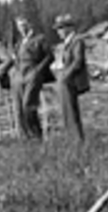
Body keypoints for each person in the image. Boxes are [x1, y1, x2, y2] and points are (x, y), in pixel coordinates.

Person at [13, 15, 53, 140]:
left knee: (28, 105)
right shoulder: (19, 43)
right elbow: (17, 59)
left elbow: (50, 57)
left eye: (24, 25)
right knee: (19, 107)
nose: (22, 28)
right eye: (19, 26)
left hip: (33, 74)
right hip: (20, 75)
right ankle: (27, 136)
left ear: (30, 24)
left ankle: (37, 135)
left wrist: (38, 70)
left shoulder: (39, 39)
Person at [54, 14, 89, 142]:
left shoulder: (77, 41)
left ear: (68, 28)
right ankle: (71, 139)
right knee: (65, 111)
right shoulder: (66, 44)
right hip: (64, 79)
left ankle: (77, 140)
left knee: (71, 111)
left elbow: (78, 61)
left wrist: (66, 75)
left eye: (60, 28)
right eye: (58, 29)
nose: (58, 32)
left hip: (70, 81)